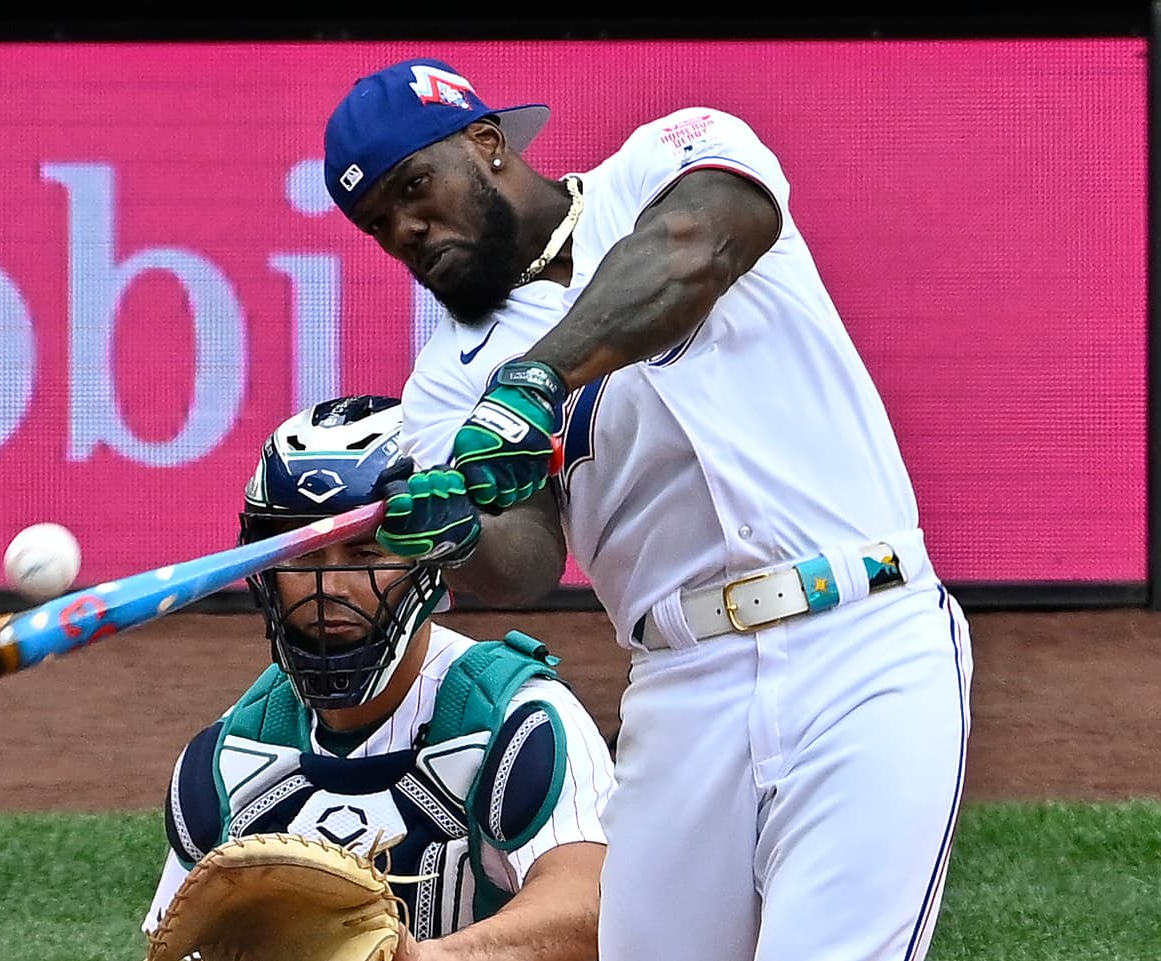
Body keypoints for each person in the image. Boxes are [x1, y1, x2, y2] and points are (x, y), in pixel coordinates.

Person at [322, 58, 975, 961]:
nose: (405, 229)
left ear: (487, 144)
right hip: (681, 689)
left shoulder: (666, 160)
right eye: (378, 223)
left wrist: (539, 382)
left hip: (861, 643)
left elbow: (697, 244)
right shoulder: (443, 385)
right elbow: (527, 562)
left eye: (414, 188)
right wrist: (456, 534)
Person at [141, 393, 615, 961]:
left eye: (365, 552)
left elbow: (593, 909)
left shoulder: (515, 722)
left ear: (428, 563)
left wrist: (416, 959)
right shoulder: (228, 760)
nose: (333, 588)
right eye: (306, 555)